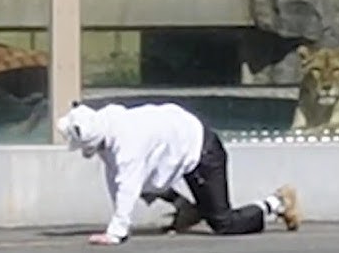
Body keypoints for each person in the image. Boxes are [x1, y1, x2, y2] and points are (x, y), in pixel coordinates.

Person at [56, 101, 301, 246]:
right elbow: (115, 177)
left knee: (223, 223)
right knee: (142, 180)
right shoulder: (107, 121)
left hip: (202, 152)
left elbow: (126, 185)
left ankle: (278, 202)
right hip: (178, 143)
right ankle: (186, 207)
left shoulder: (128, 147)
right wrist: (117, 225)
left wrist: (116, 231)